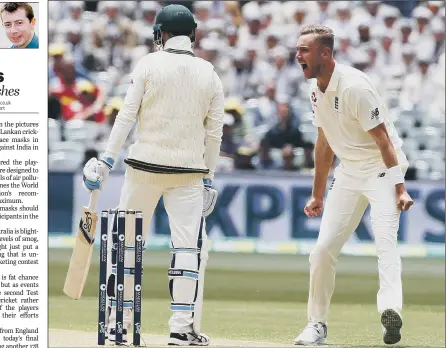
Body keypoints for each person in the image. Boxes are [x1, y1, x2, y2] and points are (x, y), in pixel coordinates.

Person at [82, 4, 224, 346]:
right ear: (193, 35)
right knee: (188, 248)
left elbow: (126, 116)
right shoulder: (210, 73)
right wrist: (209, 176)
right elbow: (215, 133)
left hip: (143, 168)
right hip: (189, 173)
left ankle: (119, 324)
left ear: (160, 34)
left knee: (126, 245)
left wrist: (106, 159)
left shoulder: (148, 63)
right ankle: (180, 328)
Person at [293, 24, 413, 346]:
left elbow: (384, 141)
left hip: (382, 169)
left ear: (325, 53)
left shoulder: (354, 87)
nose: (297, 56)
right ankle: (316, 326)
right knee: (321, 251)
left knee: (385, 243)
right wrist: (317, 194)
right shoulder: (315, 88)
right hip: (348, 172)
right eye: (298, 49)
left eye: (304, 50)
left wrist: (399, 187)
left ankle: (391, 311)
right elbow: (323, 143)